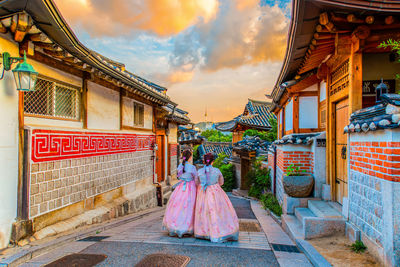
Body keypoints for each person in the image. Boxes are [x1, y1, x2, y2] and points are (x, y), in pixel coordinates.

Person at [194, 153, 239, 243]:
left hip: (203, 192)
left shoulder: (199, 171)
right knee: (218, 211)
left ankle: (204, 232)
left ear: (203, 161)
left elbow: (196, 183)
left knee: (203, 211)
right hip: (216, 192)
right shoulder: (217, 171)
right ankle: (219, 231)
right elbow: (221, 182)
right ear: (213, 161)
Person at [163, 150, 198, 237]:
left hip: (180, 187)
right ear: (190, 157)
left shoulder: (180, 166)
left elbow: (179, 176)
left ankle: (174, 225)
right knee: (189, 206)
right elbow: (196, 179)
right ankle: (187, 227)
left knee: (178, 206)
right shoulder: (192, 167)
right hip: (190, 188)